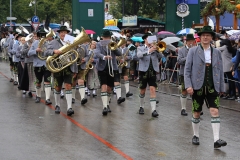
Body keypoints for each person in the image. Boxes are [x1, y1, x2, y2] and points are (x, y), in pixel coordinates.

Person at [184, 26, 227, 148]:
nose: (205, 37)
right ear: (200, 37)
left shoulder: (217, 52)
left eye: (208, 35)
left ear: (211, 37)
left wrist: (222, 87)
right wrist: (188, 85)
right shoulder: (193, 51)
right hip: (197, 86)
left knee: (215, 110)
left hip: (213, 85)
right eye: (203, 35)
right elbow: (187, 70)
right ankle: (196, 135)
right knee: (197, 112)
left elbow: (220, 70)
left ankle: (216, 140)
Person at [45, 26, 78, 116]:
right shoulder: (53, 42)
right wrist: (54, 51)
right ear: (59, 34)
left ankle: (69, 107)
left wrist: (75, 70)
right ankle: (57, 105)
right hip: (58, 67)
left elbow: (75, 55)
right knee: (58, 87)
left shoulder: (71, 40)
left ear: (67, 33)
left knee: (68, 86)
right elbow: (46, 52)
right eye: (62, 32)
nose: (63, 34)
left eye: (65, 32)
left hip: (68, 67)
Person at [95, 29, 121, 115]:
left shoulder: (113, 43)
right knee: (104, 86)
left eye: (107, 37)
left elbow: (119, 53)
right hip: (102, 67)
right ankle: (104, 106)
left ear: (110, 37)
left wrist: (114, 47)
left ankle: (107, 103)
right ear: (102, 37)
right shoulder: (98, 44)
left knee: (109, 88)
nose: (106, 39)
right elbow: (97, 53)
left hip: (112, 67)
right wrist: (104, 57)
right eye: (105, 37)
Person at [137, 35, 162, 117]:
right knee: (142, 90)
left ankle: (154, 110)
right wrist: (149, 51)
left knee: (152, 89)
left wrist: (157, 50)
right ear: (145, 39)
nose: (151, 40)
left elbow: (161, 57)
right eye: (149, 39)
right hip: (143, 71)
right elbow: (139, 55)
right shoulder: (140, 48)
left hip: (153, 71)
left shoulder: (155, 48)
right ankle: (141, 106)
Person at [28, 28, 52, 104]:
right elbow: (29, 53)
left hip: (46, 64)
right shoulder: (35, 43)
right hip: (38, 65)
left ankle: (48, 99)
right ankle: (38, 96)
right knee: (38, 81)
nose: (42, 36)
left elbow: (52, 53)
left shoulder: (48, 43)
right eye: (40, 35)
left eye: (43, 35)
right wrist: (36, 51)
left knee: (47, 81)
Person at [177, 34, 196, 116]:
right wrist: (189, 56)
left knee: (194, 91)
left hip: (194, 74)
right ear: (186, 41)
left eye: (192, 41)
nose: (191, 42)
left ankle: (195, 108)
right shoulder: (181, 50)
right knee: (184, 91)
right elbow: (179, 61)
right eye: (189, 41)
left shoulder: (196, 50)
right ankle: (183, 109)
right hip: (184, 73)